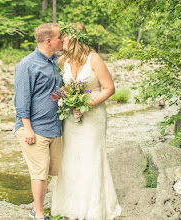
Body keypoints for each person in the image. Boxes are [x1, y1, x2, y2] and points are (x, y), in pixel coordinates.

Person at [51, 23, 122, 220]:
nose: (61, 40)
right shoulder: (64, 60)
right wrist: (66, 99)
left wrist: (87, 105)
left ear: (75, 39)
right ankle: (70, 205)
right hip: (71, 119)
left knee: (90, 157)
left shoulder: (94, 59)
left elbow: (109, 88)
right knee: (71, 157)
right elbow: (62, 87)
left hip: (93, 116)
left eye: (64, 37)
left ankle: (92, 208)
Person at [14, 23, 64, 220]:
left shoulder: (55, 61)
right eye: (60, 37)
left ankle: (38, 208)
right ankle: (39, 214)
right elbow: (22, 100)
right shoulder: (27, 64)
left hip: (54, 127)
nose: (62, 40)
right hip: (34, 128)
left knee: (51, 172)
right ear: (49, 40)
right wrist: (27, 129)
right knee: (39, 173)